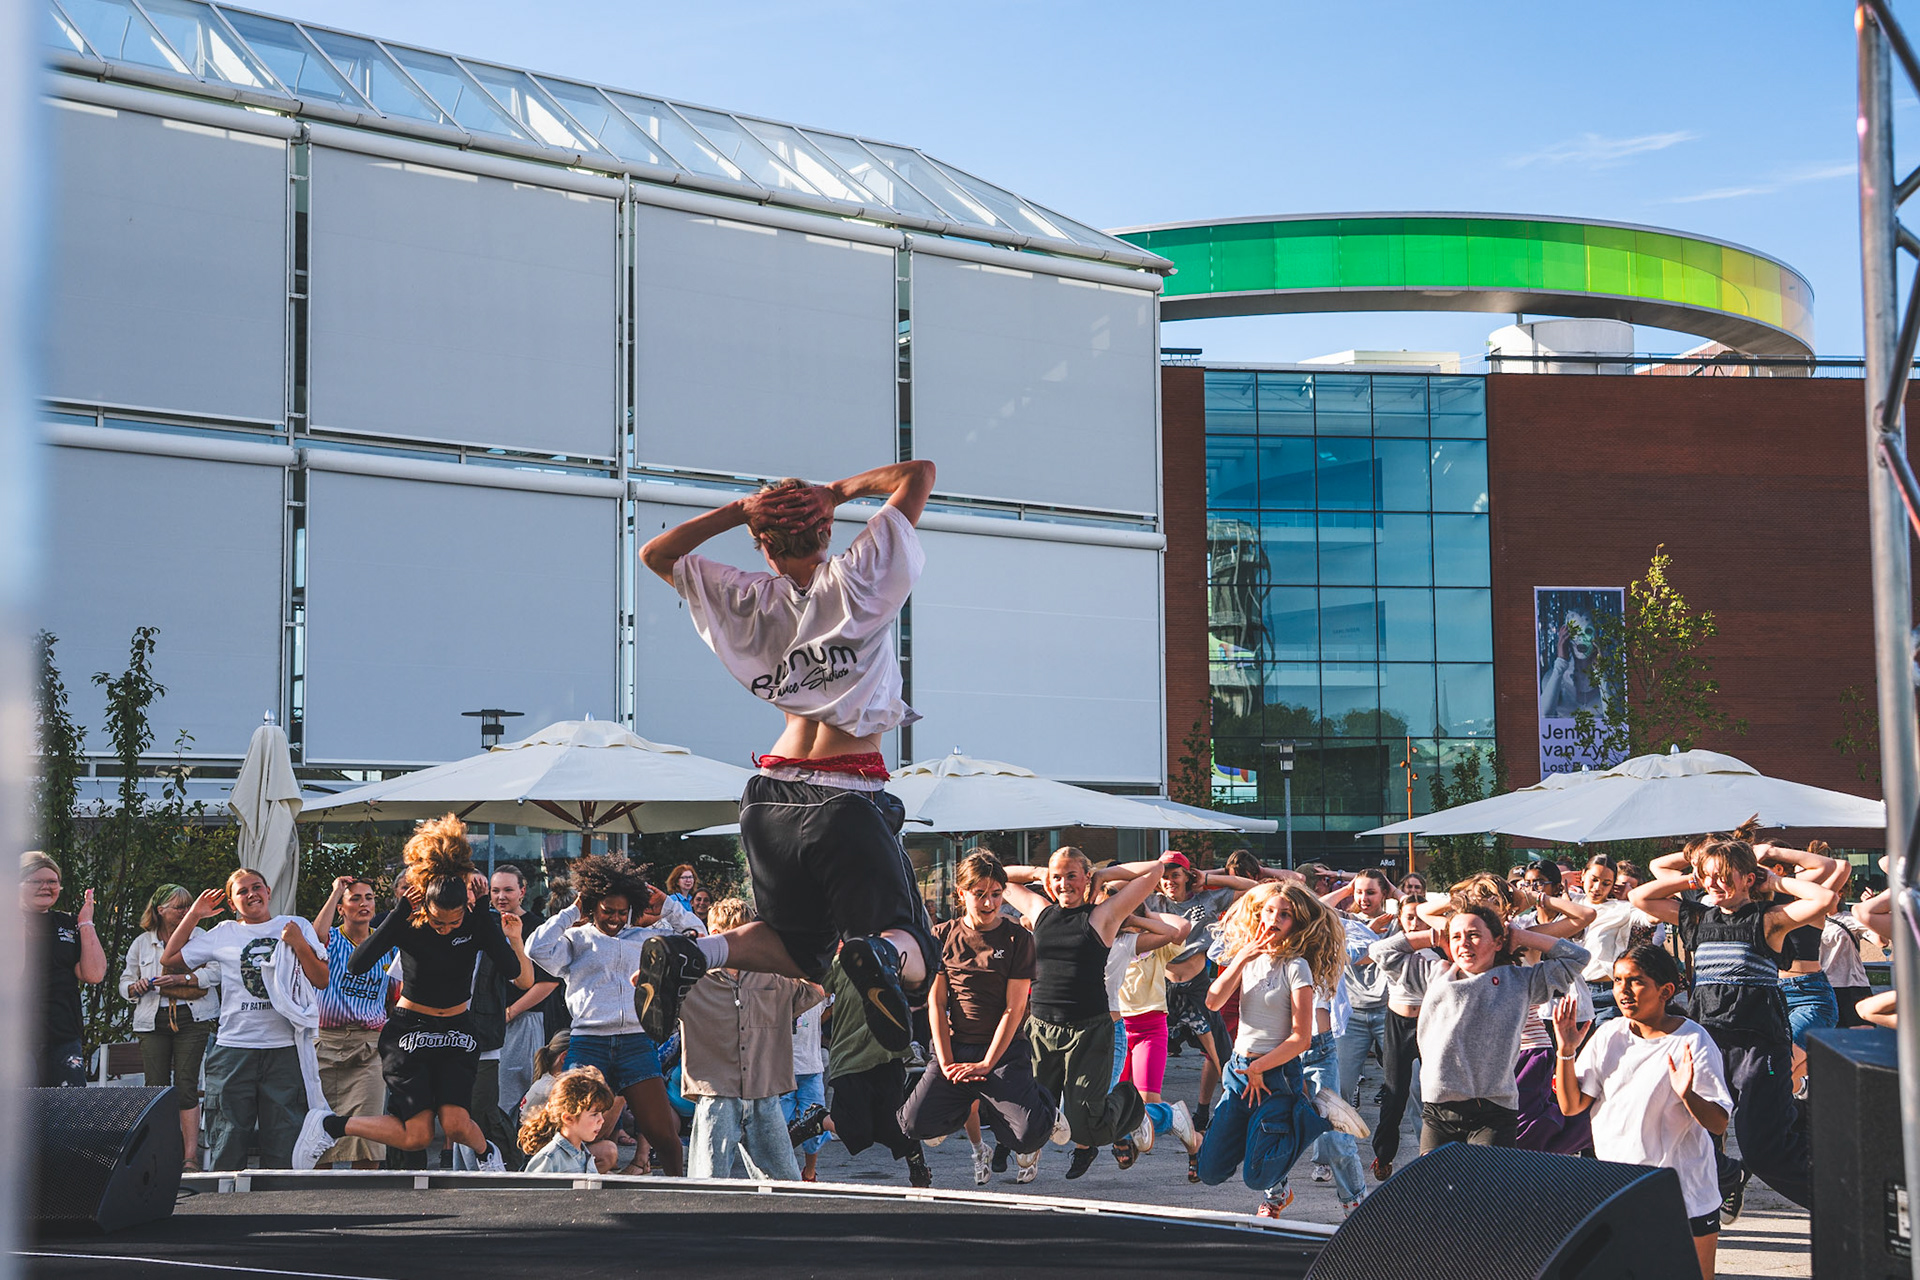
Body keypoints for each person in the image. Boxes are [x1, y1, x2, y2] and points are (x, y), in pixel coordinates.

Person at [632, 462, 940, 1056]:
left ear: (764, 547)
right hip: (846, 793)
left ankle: (693, 951)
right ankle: (879, 952)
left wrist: (739, 511)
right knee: (915, 953)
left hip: (768, 800)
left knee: (797, 948)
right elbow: (918, 474)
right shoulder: (859, 579)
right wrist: (837, 492)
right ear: (825, 533)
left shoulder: (750, 598)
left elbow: (657, 555)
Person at [292, 815, 533, 1171]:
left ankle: (487, 1155)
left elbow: (514, 973)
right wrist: (402, 909)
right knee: (417, 1136)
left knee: (455, 1123)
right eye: (438, 921)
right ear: (425, 909)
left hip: (456, 1031)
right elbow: (357, 964)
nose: (445, 928)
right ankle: (330, 1124)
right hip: (410, 1031)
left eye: (453, 922)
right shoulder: (409, 922)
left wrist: (483, 915)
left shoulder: (476, 921)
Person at [1630, 824, 1837, 1214]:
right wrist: (1697, 873)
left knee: (1763, 1149)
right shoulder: (1695, 918)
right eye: (1708, 877)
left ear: (1747, 878)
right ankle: (1726, 1178)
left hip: (1760, 1046)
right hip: (1708, 1041)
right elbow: (1640, 895)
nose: (1714, 884)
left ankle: (1838, 1205)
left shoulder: (1768, 919)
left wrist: (1775, 878)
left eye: (1724, 876)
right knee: (1691, 1128)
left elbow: (1823, 897)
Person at [1553, 945, 1733, 1280]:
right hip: (1618, 1189)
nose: (1622, 990)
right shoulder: (1609, 1034)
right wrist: (1565, 1052)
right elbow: (1571, 1105)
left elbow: (1719, 1123)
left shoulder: (1693, 1040)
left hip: (1684, 1194)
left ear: (1665, 990)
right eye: (1618, 980)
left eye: (1635, 981)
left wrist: (1688, 1094)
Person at [1195, 881, 1366, 1217]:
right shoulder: (1246, 958)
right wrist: (1242, 958)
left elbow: (1302, 1038)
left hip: (1275, 1076)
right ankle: (1279, 1177)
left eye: (1284, 914)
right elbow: (1213, 1001)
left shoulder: (1296, 966)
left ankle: (1315, 1115)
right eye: (1269, 911)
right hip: (1239, 1074)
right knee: (1209, 1171)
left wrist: (1260, 1068)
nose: (1274, 918)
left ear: (1295, 924)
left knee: (1258, 1175)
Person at [1001, 849, 1171, 1179]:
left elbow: (1155, 870)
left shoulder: (1103, 915)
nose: (1064, 883)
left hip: (1090, 1030)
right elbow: (999, 875)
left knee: (1087, 1128)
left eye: (1072, 876)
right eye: (1058, 877)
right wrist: (1040, 873)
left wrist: (1106, 876)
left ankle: (1133, 1107)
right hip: (1043, 1027)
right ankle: (1023, 1147)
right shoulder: (1040, 911)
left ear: (1086, 879)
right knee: (1037, 1108)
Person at [1379, 897, 1588, 1153]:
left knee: (1485, 1190)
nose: (1464, 943)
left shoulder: (1520, 981)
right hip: (1439, 1110)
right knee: (1436, 1190)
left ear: (1498, 941)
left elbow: (1577, 957)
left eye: (1474, 935)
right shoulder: (1435, 974)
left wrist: (1520, 936)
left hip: (1494, 1111)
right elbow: (1382, 952)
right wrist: (1434, 936)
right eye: (1456, 937)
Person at [898, 851, 1052, 1185]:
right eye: (979, 894)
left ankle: (1041, 1105)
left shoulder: (1018, 939)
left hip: (1004, 1052)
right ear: (961, 893)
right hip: (955, 1048)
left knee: (1025, 1137)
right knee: (912, 1124)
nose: (988, 903)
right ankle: (970, 1100)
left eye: (996, 894)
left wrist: (986, 1065)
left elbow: (1015, 1009)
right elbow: (936, 1004)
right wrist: (947, 1060)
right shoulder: (941, 936)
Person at [527, 853, 685, 1176]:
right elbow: (535, 948)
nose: (615, 919)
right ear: (592, 906)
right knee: (567, 1127)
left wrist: (669, 906)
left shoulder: (646, 936)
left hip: (636, 1043)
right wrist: (572, 911)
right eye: (608, 911)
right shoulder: (576, 938)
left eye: (622, 912)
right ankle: (557, 1184)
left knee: (665, 1134)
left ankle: (679, 1194)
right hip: (589, 1042)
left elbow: (699, 936)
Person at [164, 868, 329, 1169]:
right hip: (233, 1049)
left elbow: (320, 979)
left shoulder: (296, 925)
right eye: (242, 891)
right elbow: (170, 960)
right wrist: (195, 916)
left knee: (284, 1139)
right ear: (231, 903)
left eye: (257, 887)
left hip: (284, 1049)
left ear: (268, 891)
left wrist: (299, 943)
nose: (252, 894)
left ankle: (277, 1209)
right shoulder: (224, 932)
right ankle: (227, 1206)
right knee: (228, 1137)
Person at [679, 897, 825, 1181]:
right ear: (712, 937)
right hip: (715, 1093)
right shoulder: (692, 980)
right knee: (707, 1184)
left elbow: (815, 988)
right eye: (727, 937)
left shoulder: (773, 977)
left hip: (765, 1092)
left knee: (786, 1186)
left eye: (743, 937)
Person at [121, 883, 219, 1166]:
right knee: (155, 1089)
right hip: (151, 1019)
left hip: (193, 1016)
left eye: (188, 906)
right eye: (179, 907)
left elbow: (216, 972)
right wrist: (135, 987)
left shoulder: (200, 936)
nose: (185, 912)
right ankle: (160, 1155)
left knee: (187, 1085)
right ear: (160, 910)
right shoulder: (142, 942)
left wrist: (182, 979)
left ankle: (189, 1157)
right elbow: (125, 981)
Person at [308, 876, 399, 1168]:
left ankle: (365, 1194)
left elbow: (395, 993)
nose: (363, 903)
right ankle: (321, 1200)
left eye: (369, 897)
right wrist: (335, 890)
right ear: (341, 908)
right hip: (325, 1043)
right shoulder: (332, 940)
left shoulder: (386, 944)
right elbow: (314, 936)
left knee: (368, 1132)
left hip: (368, 1044)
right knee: (320, 1130)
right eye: (355, 898)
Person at [824, 943, 930, 1187]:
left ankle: (915, 1159)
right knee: (857, 1131)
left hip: (888, 1055)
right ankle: (818, 1120)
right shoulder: (840, 962)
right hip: (850, 1056)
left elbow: (921, 988)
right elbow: (814, 990)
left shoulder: (893, 954)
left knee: (894, 1126)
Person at [21, 852, 106, 1087]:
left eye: (52, 881)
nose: (45, 887)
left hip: (63, 1033)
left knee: (69, 1111)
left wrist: (86, 922)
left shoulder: (67, 923)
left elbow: (94, 974)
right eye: (36, 881)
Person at [489, 865, 563, 1118]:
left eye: (508, 890)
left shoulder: (537, 926)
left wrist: (510, 1013)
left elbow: (549, 981)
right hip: (490, 1020)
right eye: (495, 890)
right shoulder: (487, 925)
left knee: (518, 1092)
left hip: (525, 1020)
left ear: (522, 892)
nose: (501, 896)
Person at [1368, 897, 1427, 1180]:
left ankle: (1432, 1152)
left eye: (1420, 916)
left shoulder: (1440, 949)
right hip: (1397, 1023)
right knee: (1395, 1092)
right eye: (1409, 917)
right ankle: (1384, 1154)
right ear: (1400, 919)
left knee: (1429, 1093)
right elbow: (1373, 950)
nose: (1415, 923)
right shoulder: (1393, 946)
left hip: (1429, 1023)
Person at [519, 1066, 617, 1175]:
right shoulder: (549, 1159)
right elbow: (532, 1191)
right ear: (568, 1118)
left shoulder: (585, 1155)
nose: (601, 1120)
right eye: (594, 1114)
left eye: (601, 1114)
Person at [781, 997, 830, 1182]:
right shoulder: (778, 985)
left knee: (815, 1124)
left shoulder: (817, 989)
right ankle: (785, 1173)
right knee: (781, 1128)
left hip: (811, 1067)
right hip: (782, 1070)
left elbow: (830, 1006)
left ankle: (809, 1172)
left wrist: (816, 1022)